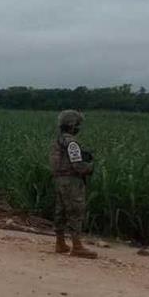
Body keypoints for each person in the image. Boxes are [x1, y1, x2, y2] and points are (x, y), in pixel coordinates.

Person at [50, 110, 98, 258]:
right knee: (75, 211)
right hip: (71, 181)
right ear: (72, 125)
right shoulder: (72, 143)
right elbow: (77, 166)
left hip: (58, 179)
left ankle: (60, 243)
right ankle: (77, 246)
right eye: (77, 124)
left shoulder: (58, 140)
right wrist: (90, 166)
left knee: (61, 211)